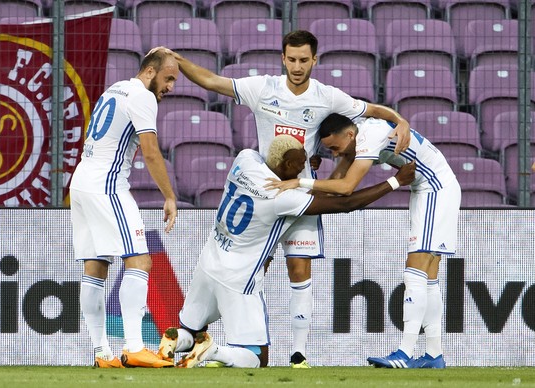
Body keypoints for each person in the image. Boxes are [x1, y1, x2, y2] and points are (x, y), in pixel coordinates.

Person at [150, 29, 411, 367]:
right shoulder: (264, 89)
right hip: (272, 192)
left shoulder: (327, 97)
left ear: (314, 60)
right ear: (282, 58)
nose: (298, 66)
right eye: (292, 59)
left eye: (304, 60)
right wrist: (181, 61)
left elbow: (369, 110)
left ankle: (298, 355)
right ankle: (234, 346)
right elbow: (213, 82)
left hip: (303, 192)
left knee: (299, 269)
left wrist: (399, 119)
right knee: (259, 267)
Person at [155, 134, 416, 368]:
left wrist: (302, 166)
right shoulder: (283, 198)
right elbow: (345, 203)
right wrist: (395, 181)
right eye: (300, 163)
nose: (305, 167)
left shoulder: (244, 160)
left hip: (208, 264)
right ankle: (213, 350)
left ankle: (175, 342)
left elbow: (264, 155)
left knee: (190, 328)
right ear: (287, 166)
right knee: (257, 356)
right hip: (239, 279)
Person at [267, 113, 461, 369]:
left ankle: (404, 353)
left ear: (350, 135)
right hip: (426, 188)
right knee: (429, 277)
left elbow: (346, 188)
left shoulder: (370, 135)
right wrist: (296, 192)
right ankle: (434, 355)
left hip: (436, 189)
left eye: (335, 148)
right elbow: (331, 184)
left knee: (415, 271)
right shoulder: (354, 140)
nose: (334, 155)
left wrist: (299, 181)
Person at [70, 50, 180, 369]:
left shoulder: (115, 88)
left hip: (82, 181)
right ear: (149, 71)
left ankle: (102, 353)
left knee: (95, 266)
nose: (171, 86)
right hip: (107, 184)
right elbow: (150, 151)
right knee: (140, 260)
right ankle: (134, 347)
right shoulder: (142, 97)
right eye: (168, 78)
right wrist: (169, 196)